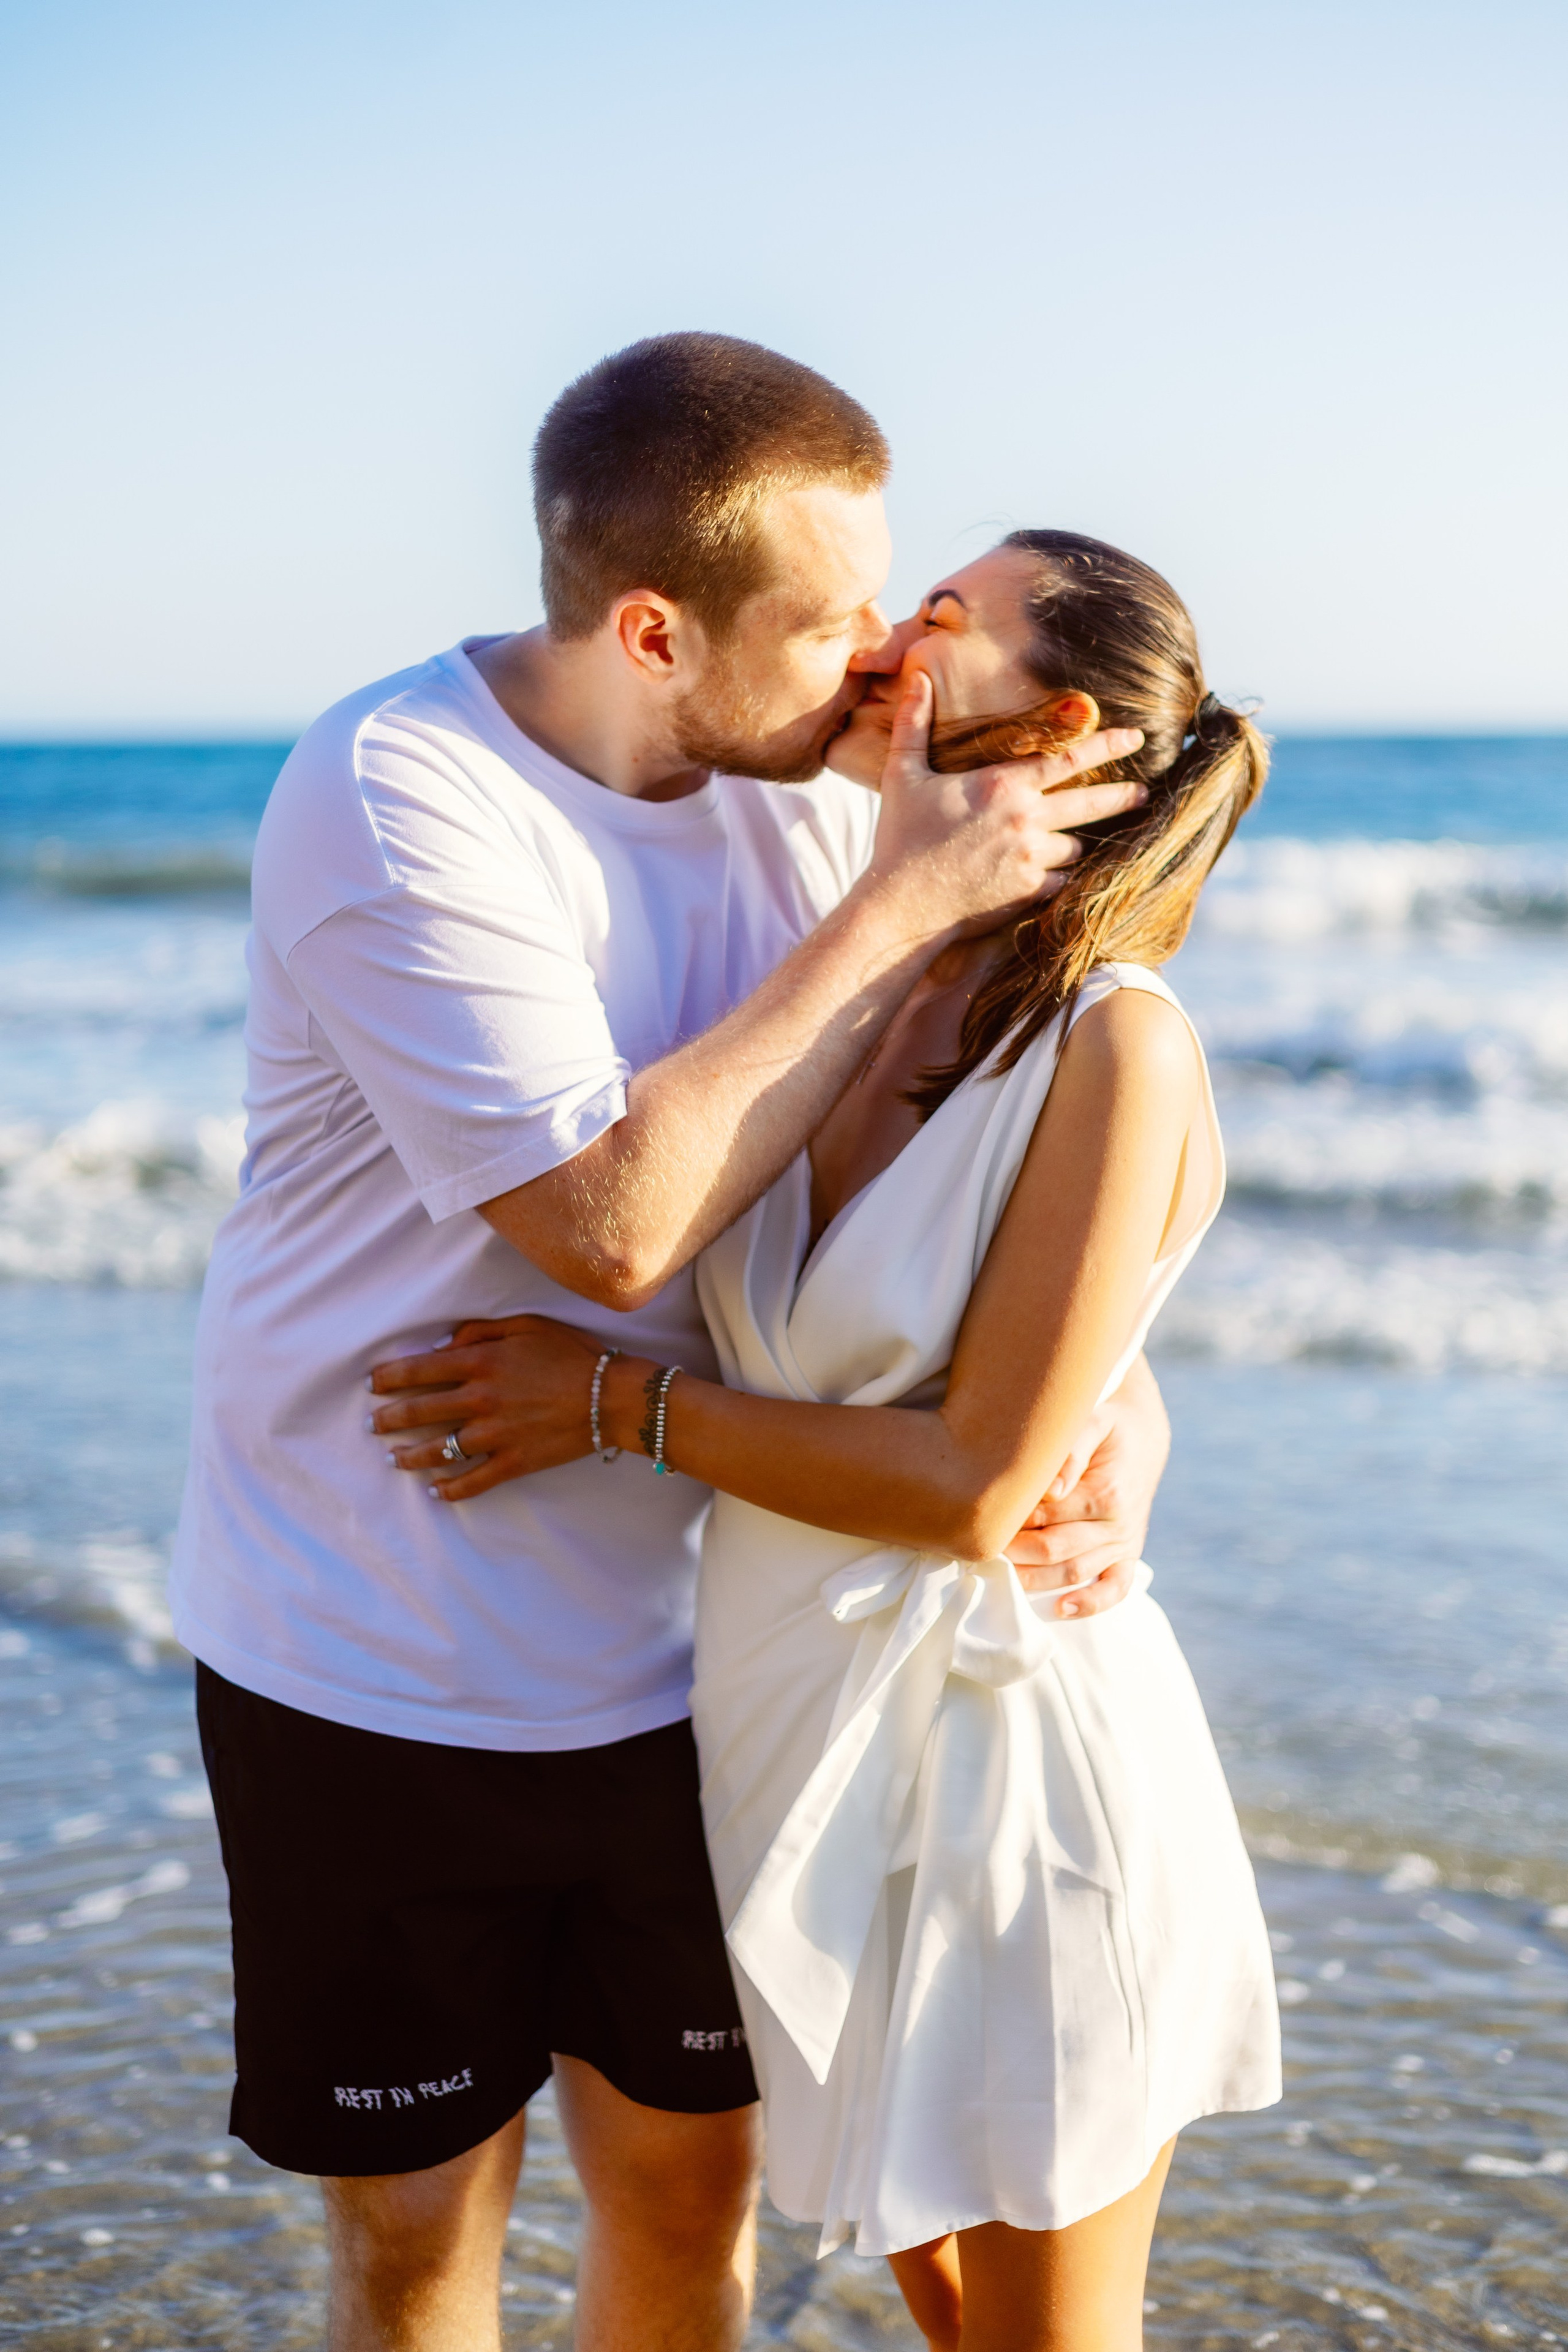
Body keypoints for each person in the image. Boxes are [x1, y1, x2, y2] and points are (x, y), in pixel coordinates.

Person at [172, 333, 1164, 2352]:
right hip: (374, 1658)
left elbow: (963, 1194)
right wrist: (899, 910)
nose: (884, 656)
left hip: (702, 1675)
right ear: (653, 628)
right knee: (419, 2238)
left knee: (693, 2196)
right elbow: (613, 1229)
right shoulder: (399, 795)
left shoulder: (802, 804)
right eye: (836, 620)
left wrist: (1121, 1403)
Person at [374, 530, 1283, 2351]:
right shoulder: (850, 985)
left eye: (945, 614)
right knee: (945, 2311)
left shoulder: (1118, 1047)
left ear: (1061, 719)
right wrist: (1130, 1404)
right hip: (803, 1760)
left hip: (1014, 1778)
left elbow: (973, 1491)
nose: (888, 632)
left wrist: (610, 1405)